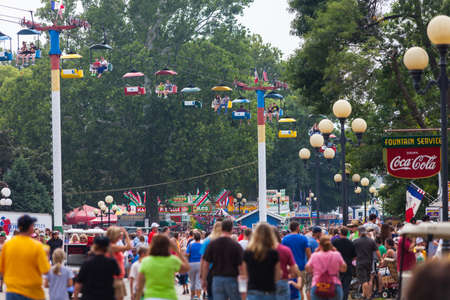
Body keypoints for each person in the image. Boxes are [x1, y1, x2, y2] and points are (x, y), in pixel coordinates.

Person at [0, 214, 50, 300]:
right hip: (32, 293)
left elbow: (2, 269)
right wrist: (47, 256)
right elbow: (45, 270)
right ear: (31, 228)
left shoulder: (7, 245)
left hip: (12, 291)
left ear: (19, 227)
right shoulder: (37, 246)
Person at [135, 234, 190, 300]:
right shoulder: (172, 260)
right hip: (169, 296)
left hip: (151, 296)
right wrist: (177, 251)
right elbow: (187, 268)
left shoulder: (146, 261)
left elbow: (139, 286)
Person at [201, 219, 244, 300]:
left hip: (217, 279)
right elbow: (241, 266)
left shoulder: (212, 244)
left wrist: (204, 279)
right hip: (232, 279)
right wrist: (243, 284)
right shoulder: (236, 245)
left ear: (222, 228)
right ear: (231, 229)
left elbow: (205, 264)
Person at [242, 223, 281, 300]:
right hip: (269, 291)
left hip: (252, 291)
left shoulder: (247, 252)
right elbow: (278, 275)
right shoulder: (274, 253)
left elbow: (244, 275)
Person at [73, 236, 120, 300]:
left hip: (89, 296)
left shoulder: (87, 263)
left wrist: (75, 297)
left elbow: (78, 283)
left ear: (94, 246)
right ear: (107, 248)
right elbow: (118, 274)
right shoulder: (112, 262)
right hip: (107, 296)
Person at [306, 236, 347, 300]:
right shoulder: (336, 254)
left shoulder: (315, 255)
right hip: (334, 284)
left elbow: (308, 268)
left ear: (319, 245)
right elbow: (343, 269)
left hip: (318, 284)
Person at [282, 221, 311, 300]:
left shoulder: (285, 239)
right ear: (298, 228)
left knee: (289, 290)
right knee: (300, 290)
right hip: (301, 267)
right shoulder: (303, 238)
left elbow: (282, 253)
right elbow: (308, 253)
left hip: (288, 268)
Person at [353, 226, 381, 300]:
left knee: (363, 281)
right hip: (369, 263)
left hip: (360, 263)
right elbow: (377, 251)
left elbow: (353, 254)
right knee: (368, 280)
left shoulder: (355, 241)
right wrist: (381, 260)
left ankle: (368, 297)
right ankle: (365, 296)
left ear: (359, 233)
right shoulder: (371, 241)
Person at [106, 226, 132, 300]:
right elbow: (129, 247)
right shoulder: (112, 246)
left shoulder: (113, 245)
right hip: (115, 279)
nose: (120, 235)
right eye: (118, 234)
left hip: (118, 278)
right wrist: (126, 234)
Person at [272, 228, 298, 300]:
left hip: (262, 284)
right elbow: (294, 271)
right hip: (282, 281)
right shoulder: (284, 250)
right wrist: (287, 274)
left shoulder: (256, 250)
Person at [332, 227, 356, 300]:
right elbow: (354, 257)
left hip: (337, 266)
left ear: (340, 233)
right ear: (347, 233)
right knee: (346, 286)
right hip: (348, 266)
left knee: (337, 285)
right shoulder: (351, 243)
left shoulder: (335, 242)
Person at [200, 221, 222, 299]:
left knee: (211, 295)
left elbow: (203, 258)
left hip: (210, 271)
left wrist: (202, 274)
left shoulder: (207, 241)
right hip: (224, 271)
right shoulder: (226, 240)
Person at [187, 231, 203, 300]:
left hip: (191, 264)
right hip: (199, 264)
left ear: (194, 237)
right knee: (198, 282)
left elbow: (187, 254)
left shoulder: (190, 244)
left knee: (192, 282)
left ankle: (192, 297)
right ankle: (198, 297)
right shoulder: (202, 245)